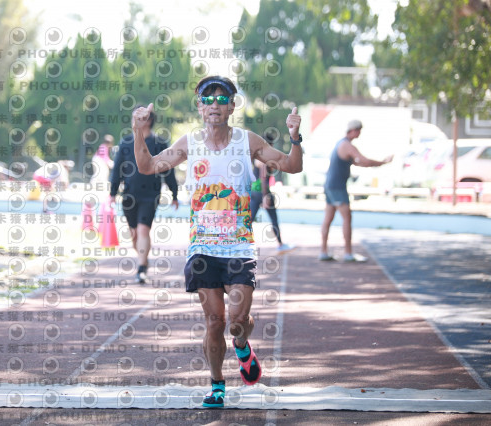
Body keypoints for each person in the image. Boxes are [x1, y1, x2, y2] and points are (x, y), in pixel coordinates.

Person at [131, 76, 303, 408]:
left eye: (221, 99)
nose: (214, 104)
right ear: (199, 107)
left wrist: (295, 137)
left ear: (232, 107)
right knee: (214, 321)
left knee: (237, 321)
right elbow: (148, 165)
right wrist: (139, 131)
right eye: (207, 99)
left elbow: (292, 166)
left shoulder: (247, 141)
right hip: (203, 249)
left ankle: (242, 345)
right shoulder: (189, 143)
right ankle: (217, 383)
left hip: (239, 247)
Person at [109, 108, 179, 283]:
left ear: (149, 120)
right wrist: (112, 193)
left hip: (151, 194)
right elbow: (117, 169)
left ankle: (141, 268)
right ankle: (143, 259)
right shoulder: (126, 143)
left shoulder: (159, 143)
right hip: (129, 195)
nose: (135, 120)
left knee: (143, 229)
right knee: (134, 233)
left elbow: (168, 169)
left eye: (139, 117)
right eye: (134, 117)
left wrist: (174, 193)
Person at [319, 120, 393, 262]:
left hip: (330, 185)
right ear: (353, 130)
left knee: (328, 219)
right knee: (347, 218)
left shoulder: (341, 143)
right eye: (359, 130)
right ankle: (348, 253)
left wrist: (379, 163)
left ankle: (323, 252)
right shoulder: (347, 145)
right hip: (337, 187)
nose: (359, 133)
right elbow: (365, 161)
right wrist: (383, 162)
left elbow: (360, 163)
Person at [250, 158, 295, 254]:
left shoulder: (258, 159)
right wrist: (265, 196)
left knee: (249, 219)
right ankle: (281, 245)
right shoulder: (263, 160)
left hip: (255, 191)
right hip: (262, 192)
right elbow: (263, 178)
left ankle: (240, 243)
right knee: (273, 219)